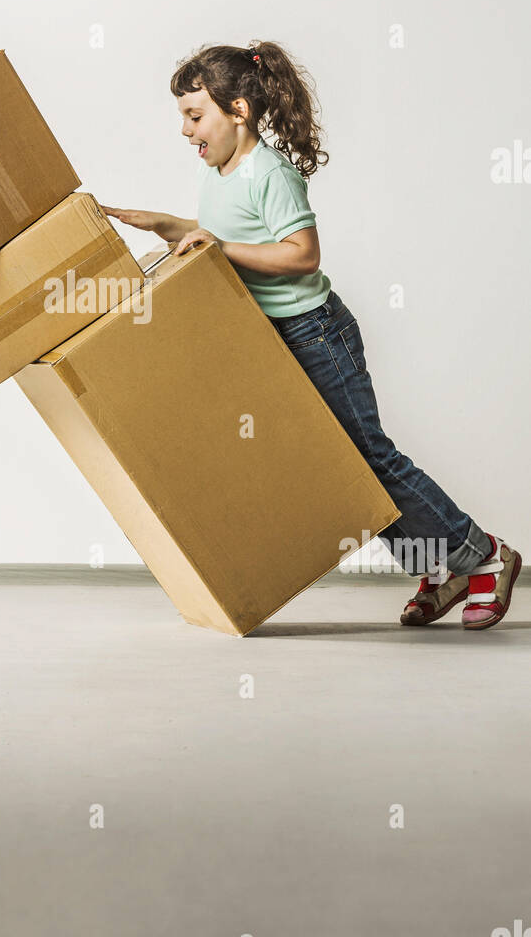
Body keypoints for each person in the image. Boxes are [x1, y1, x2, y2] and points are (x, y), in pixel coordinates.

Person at [101, 41, 521, 630]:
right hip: (277, 339)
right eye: (183, 117)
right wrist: (169, 225)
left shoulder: (268, 172)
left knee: (370, 456)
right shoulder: (222, 174)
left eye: (195, 115)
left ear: (238, 110)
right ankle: (440, 567)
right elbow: (228, 233)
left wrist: (218, 247)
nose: (185, 129)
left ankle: (485, 556)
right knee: (345, 465)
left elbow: (300, 254)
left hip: (316, 334)